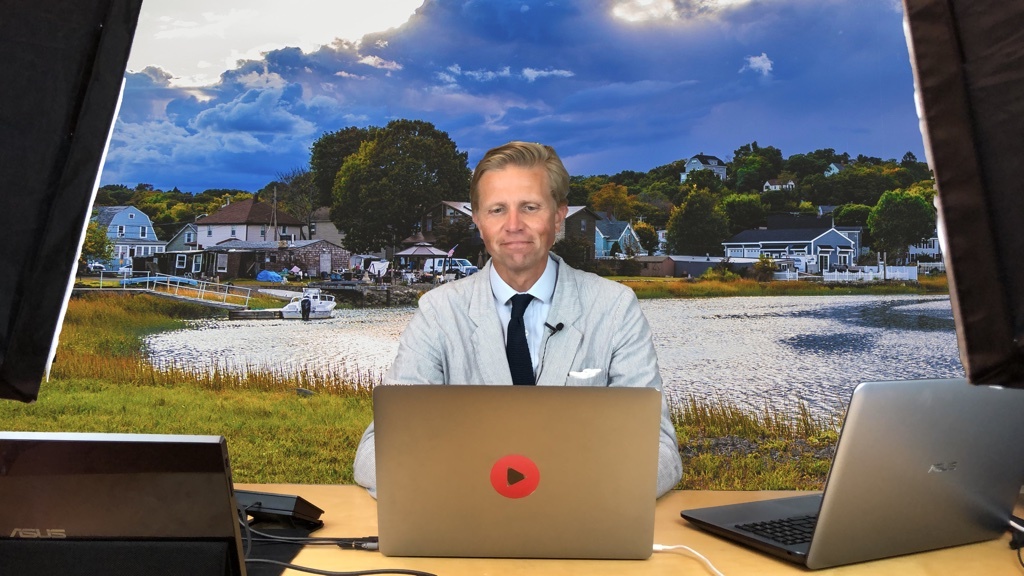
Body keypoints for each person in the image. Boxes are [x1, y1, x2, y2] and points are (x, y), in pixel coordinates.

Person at [352, 141, 683, 497]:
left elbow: (660, 451)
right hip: (470, 527)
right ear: (478, 221)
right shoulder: (438, 312)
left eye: (529, 207)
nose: (513, 225)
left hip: (577, 527)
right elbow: (375, 453)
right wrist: (484, 485)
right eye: (497, 210)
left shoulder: (615, 307)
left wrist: (560, 490)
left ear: (558, 216)